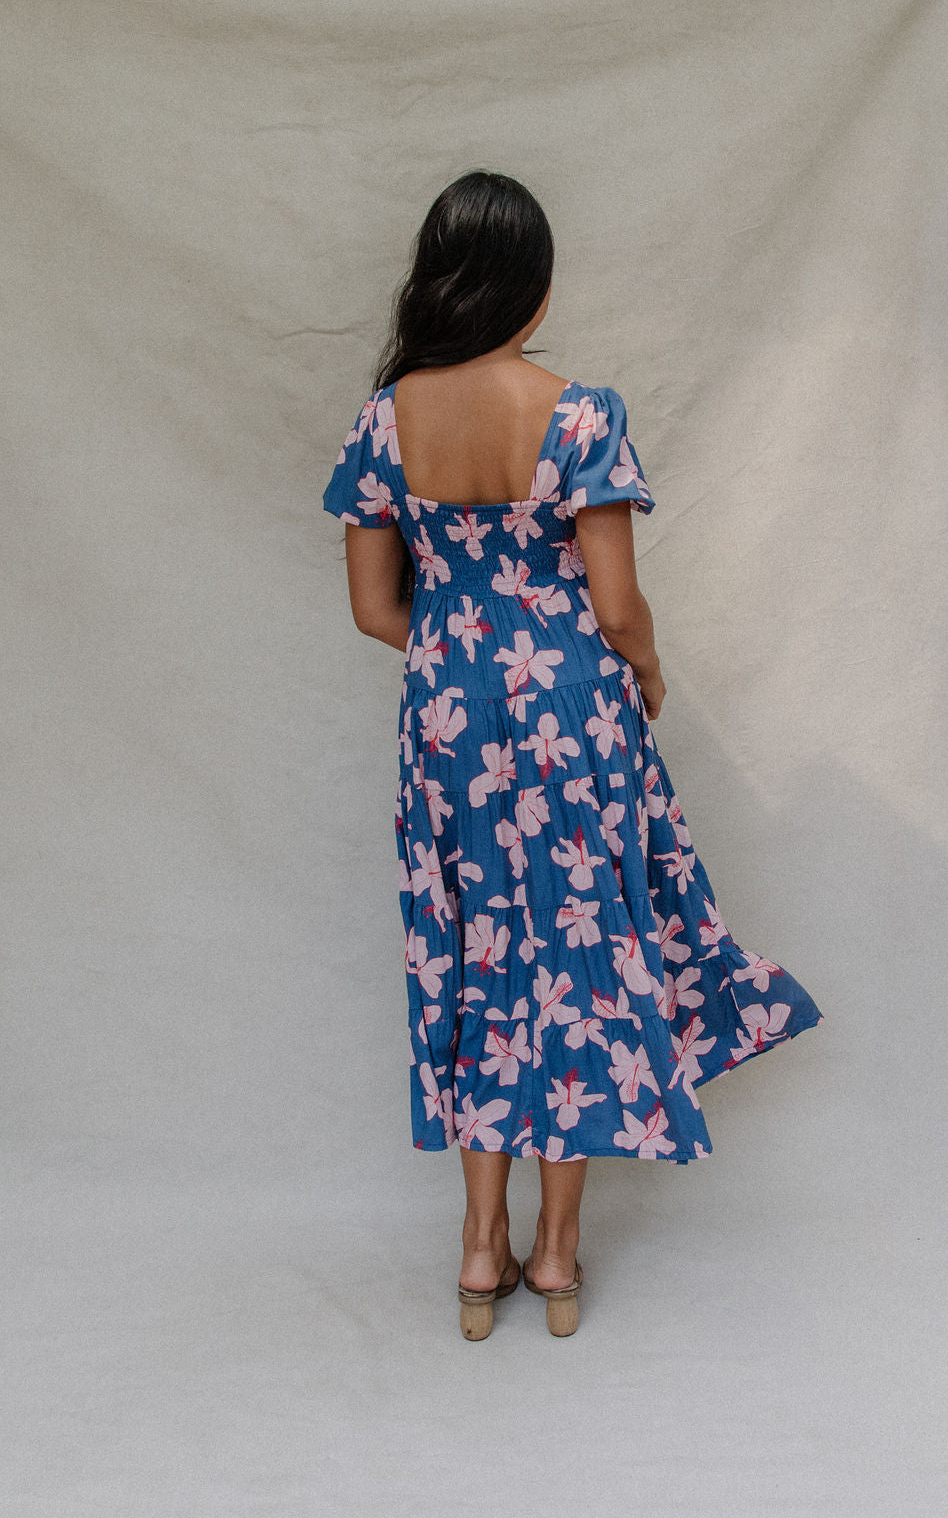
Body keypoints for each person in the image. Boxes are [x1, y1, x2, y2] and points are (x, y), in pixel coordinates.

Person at [322, 170, 823, 1340]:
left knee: (473, 955)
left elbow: (372, 610)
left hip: (446, 721)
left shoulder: (383, 421)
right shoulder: (581, 416)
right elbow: (617, 605)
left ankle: (476, 1247)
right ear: (532, 292)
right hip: (573, 715)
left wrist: (465, 648)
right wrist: (642, 674)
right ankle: (554, 1253)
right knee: (575, 960)